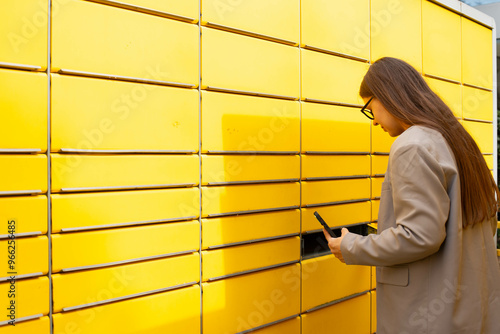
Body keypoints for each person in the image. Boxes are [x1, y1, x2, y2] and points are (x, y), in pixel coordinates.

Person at [323, 57, 500, 333]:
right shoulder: (456, 139)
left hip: (428, 317)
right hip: (472, 308)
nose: (373, 122)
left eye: (370, 108)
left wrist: (350, 247)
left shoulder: (411, 145)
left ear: (387, 96)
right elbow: (484, 222)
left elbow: (420, 236)